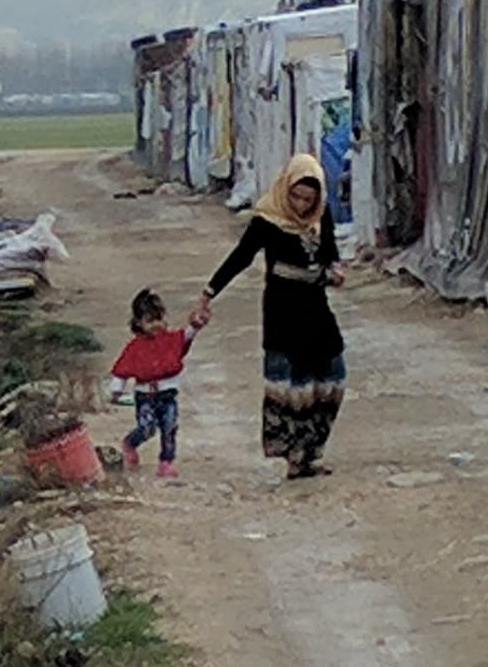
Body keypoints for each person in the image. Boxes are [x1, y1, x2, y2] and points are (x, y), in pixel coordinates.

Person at [193, 153, 346, 479]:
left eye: (310, 199)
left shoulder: (322, 215)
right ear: (285, 190)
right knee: (295, 388)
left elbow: (330, 250)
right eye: (297, 197)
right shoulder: (268, 220)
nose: (303, 205)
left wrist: (335, 267)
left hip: (317, 310)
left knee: (332, 379)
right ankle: (295, 457)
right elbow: (240, 258)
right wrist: (208, 293)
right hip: (283, 312)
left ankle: (313, 451)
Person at [107, 287, 195, 478]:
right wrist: (116, 390)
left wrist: (196, 325)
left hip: (168, 395)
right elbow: (122, 370)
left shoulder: (170, 340)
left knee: (169, 427)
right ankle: (130, 443)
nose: (156, 324)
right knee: (147, 428)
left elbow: (186, 336)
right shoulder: (135, 347)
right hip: (144, 396)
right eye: (150, 321)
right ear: (139, 322)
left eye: (159, 319)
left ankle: (166, 462)